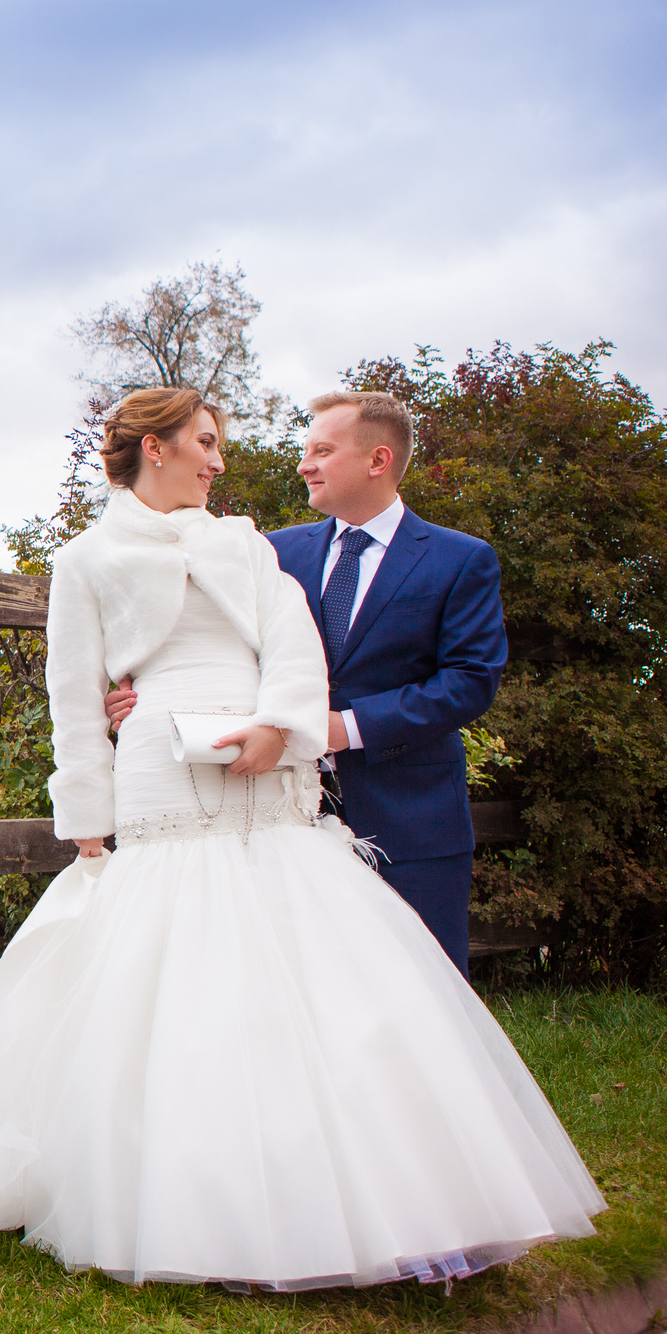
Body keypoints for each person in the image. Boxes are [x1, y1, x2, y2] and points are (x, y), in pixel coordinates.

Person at [0, 388, 602, 1288]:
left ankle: (376, 1192)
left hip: (267, 769)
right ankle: (196, 1200)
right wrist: (89, 817)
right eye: (207, 443)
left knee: (310, 969)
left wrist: (284, 726)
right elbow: (74, 695)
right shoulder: (87, 558)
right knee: (177, 967)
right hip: (160, 768)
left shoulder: (248, 543)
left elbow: (296, 647)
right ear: (155, 447)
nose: (222, 460)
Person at [102, 390, 503, 970]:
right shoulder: (271, 550)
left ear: (378, 460)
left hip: (411, 822)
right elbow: (222, 646)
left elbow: (469, 681)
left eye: (321, 449)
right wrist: (139, 694)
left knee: (423, 993)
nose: (303, 462)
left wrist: (342, 728)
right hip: (278, 816)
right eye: (304, 448)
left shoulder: (459, 559)